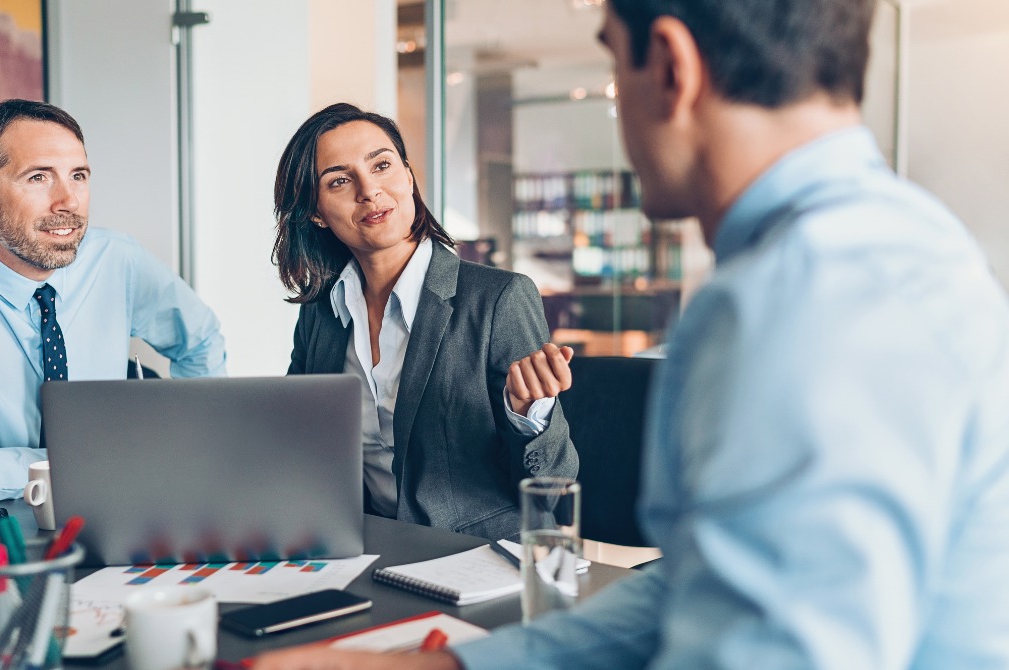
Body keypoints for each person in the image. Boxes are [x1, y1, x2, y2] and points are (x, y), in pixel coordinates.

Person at [253, 0, 1009, 668]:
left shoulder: (801, 297)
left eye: (614, 60)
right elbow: (694, 586)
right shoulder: (869, 252)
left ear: (671, 67)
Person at [0, 100, 227, 510]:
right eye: (38, 177)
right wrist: (66, 468)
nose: (68, 201)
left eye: (78, 176)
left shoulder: (115, 259)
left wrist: (192, 450)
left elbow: (200, 341)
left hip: (112, 510)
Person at [273, 103, 579, 541]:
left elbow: (554, 488)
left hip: (477, 557)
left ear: (409, 176)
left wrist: (530, 413)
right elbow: (296, 441)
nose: (369, 191)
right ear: (316, 213)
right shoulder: (322, 312)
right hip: (366, 547)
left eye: (382, 165)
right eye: (339, 180)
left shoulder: (499, 299)